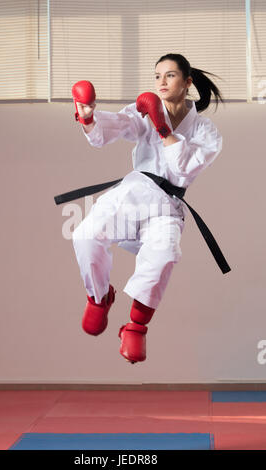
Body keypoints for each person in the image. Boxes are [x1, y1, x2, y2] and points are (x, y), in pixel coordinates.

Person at [67, 53, 226, 364]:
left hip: (167, 207)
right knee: (85, 235)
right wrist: (88, 116)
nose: (161, 82)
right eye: (157, 76)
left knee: (164, 254)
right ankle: (99, 298)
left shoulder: (207, 132)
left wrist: (164, 130)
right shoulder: (146, 110)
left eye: (170, 75)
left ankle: (136, 326)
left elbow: (182, 172)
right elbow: (113, 130)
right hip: (132, 194)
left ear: (187, 82)